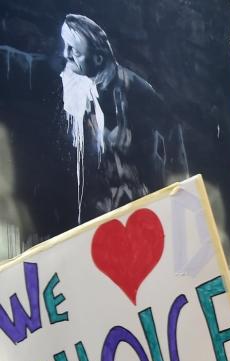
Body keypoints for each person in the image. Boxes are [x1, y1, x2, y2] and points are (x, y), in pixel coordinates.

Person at [59, 14, 186, 221]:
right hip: (101, 214)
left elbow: (171, 127)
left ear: (98, 58)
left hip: (142, 207)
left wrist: (176, 191)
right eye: (65, 45)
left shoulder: (135, 88)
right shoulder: (74, 86)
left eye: (75, 50)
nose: (66, 54)